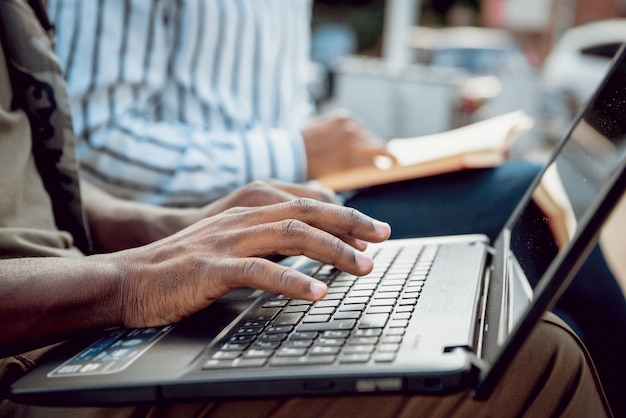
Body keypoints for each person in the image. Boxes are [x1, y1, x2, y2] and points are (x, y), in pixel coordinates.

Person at [0, 2, 614, 416]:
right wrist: (131, 278)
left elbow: (43, 181)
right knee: (539, 351)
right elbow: (102, 139)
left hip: (101, 274)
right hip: (47, 331)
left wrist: (174, 232)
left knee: (503, 289)